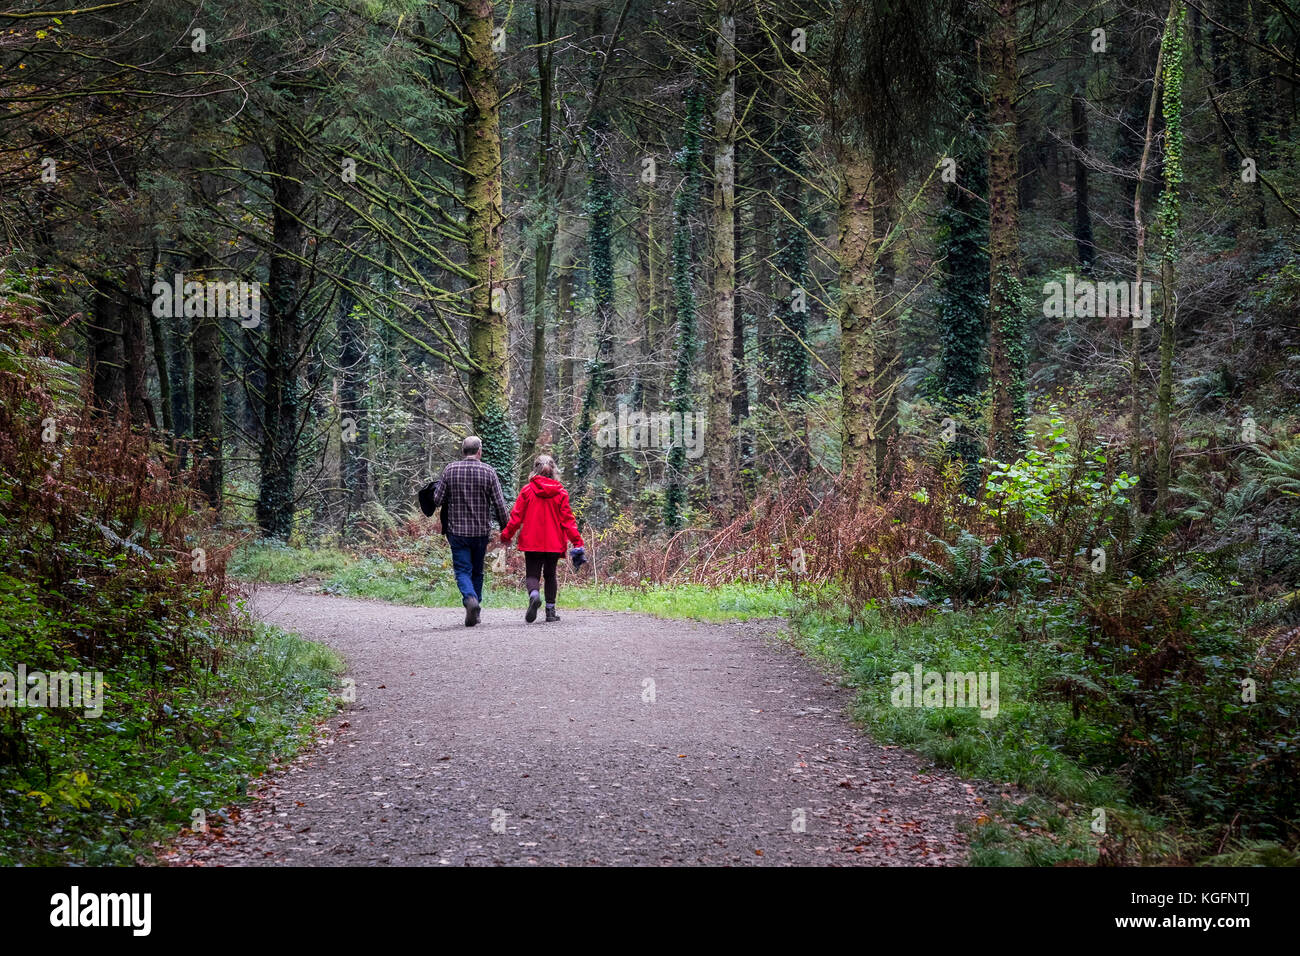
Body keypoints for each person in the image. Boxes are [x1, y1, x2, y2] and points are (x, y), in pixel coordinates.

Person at [424, 435, 509, 627]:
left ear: (463, 451)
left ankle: (470, 600)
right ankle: (475, 606)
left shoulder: (450, 470)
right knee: (477, 571)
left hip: (457, 531)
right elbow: (500, 505)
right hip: (480, 532)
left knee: (463, 570)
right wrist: (507, 529)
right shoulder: (489, 472)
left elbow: (437, 500)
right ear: (479, 451)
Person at [500, 454, 584, 623]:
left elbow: (516, 517)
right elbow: (568, 521)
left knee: (532, 574)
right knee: (551, 575)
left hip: (531, 541)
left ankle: (534, 594)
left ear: (535, 469)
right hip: (554, 543)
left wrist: (506, 535)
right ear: (553, 471)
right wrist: (577, 542)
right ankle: (551, 612)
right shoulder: (560, 493)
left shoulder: (527, 491)